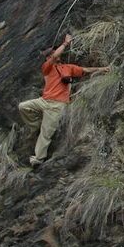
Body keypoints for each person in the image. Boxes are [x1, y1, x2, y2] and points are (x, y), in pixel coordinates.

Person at [18, 34, 110, 166]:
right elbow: (55, 56)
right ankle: (35, 125)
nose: (55, 54)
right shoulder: (47, 67)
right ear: (48, 57)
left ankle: (38, 158)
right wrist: (65, 43)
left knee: (46, 134)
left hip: (57, 105)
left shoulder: (68, 68)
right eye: (53, 53)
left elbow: (85, 70)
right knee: (23, 106)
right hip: (43, 100)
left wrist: (102, 69)